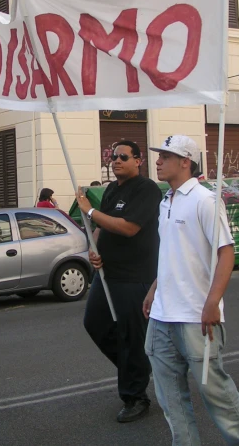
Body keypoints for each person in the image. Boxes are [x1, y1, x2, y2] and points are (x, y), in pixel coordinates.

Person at [143, 135, 239, 446]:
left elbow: (226, 252)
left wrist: (213, 302)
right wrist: (154, 288)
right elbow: (173, 252)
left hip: (196, 317)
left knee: (216, 393)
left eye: (165, 156)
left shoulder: (205, 200)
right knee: (170, 400)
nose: (157, 161)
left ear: (185, 162)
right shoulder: (165, 201)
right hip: (161, 316)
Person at [75, 140, 161, 423]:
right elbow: (102, 226)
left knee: (131, 336)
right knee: (95, 324)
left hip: (134, 276)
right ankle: (137, 368)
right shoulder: (112, 189)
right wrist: (93, 249)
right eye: (113, 156)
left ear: (138, 160)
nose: (116, 160)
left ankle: (135, 396)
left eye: (123, 156)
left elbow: (128, 228)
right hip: (107, 274)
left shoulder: (146, 190)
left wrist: (87, 209)